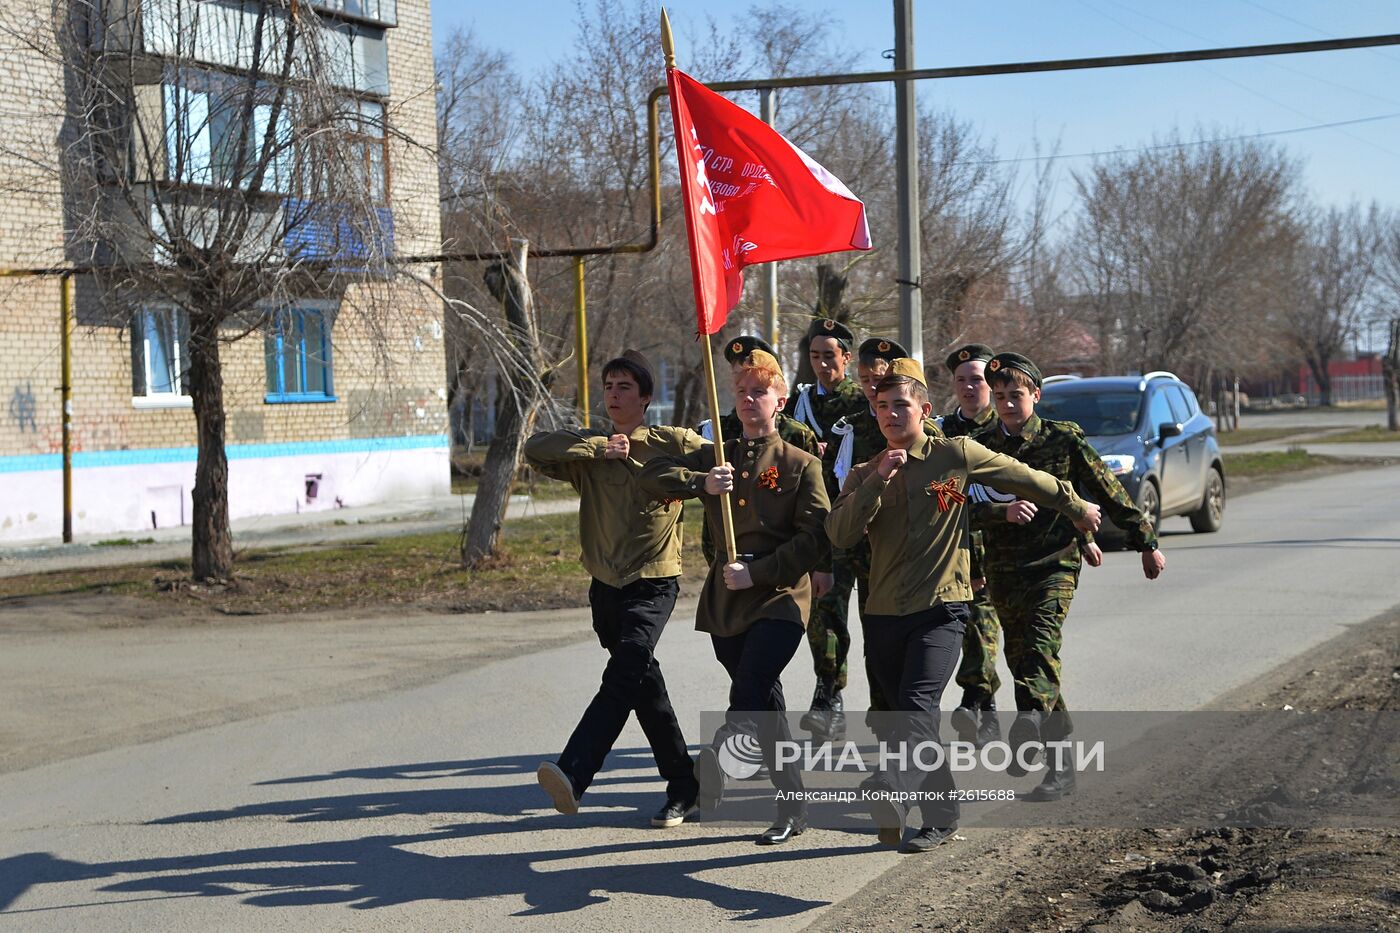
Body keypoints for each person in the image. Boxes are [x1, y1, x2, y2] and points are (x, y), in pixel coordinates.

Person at [827, 358, 1102, 852]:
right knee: (905, 720)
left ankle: (889, 785)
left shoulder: (955, 454)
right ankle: (942, 815)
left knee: (917, 708)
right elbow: (840, 533)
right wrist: (873, 483)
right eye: (882, 406)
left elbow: (1022, 477)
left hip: (943, 608)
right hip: (884, 612)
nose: (890, 415)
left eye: (901, 406)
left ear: (925, 410)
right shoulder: (867, 471)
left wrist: (1075, 504)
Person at [640, 349, 830, 845]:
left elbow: (815, 538)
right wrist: (699, 481)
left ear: (780, 401)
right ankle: (794, 805)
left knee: (749, 691)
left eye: (760, 392)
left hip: (780, 596)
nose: (749, 401)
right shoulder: (714, 454)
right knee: (765, 703)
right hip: (727, 600)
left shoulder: (800, 463)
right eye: (742, 392)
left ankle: (712, 764)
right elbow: (650, 476)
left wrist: (761, 572)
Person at [971, 351, 1167, 803]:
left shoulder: (1062, 440)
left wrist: (1146, 542)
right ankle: (1059, 770)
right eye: (999, 396)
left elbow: (1108, 489)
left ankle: (1026, 727)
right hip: (1002, 569)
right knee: (1030, 667)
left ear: (1036, 396)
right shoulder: (979, 445)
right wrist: (998, 513)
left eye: (1016, 395)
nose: (1006, 404)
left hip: (1055, 563)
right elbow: (955, 504)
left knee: (1040, 649)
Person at [523, 349, 703, 828]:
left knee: (626, 672)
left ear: (645, 398)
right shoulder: (589, 448)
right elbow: (535, 449)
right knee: (644, 686)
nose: (614, 395)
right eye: (608, 387)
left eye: (625, 387)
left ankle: (574, 772)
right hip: (605, 586)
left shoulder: (670, 441)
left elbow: (721, 452)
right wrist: (596, 448)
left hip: (653, 581)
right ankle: (685, 784)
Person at [819, 337, 942, 737]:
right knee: (835, 624)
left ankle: (893, 720)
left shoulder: (930, 437)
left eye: (881, 381)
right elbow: (832, 487)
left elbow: (956, 500)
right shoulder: (852, 424)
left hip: (894, 556)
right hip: (851, 538)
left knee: (889, 644)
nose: (874, 390)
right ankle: (832, 696)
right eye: (867, 381)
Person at [782, 319, 868, 741]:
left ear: (846, 359)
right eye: (814, 357)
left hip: (862, 523)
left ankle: (889, 703)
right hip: (821, 525)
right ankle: (829, 694)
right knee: (825, 613)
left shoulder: (863, 402)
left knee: (878, 618)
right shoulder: (800, 406)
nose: (821, 364)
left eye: (829, 356)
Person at [697, 334, 819, 566]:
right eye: (738, 377)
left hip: (779, 555)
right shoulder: (718, 429)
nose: (748, 395)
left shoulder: (796, 433)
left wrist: (820, 567)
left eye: (758, 387)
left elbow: (814, 508)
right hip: (723, 545)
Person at [935, 343, 1004, 749]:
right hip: (955, 548)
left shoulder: (1005, 429)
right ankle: (985, 706)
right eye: (961, 381)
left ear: (991, 385)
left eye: (976, 380)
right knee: (970, 630)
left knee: (985, 628)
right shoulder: (942, 433)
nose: (968, 387)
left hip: (998, 549)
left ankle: (975, 698)